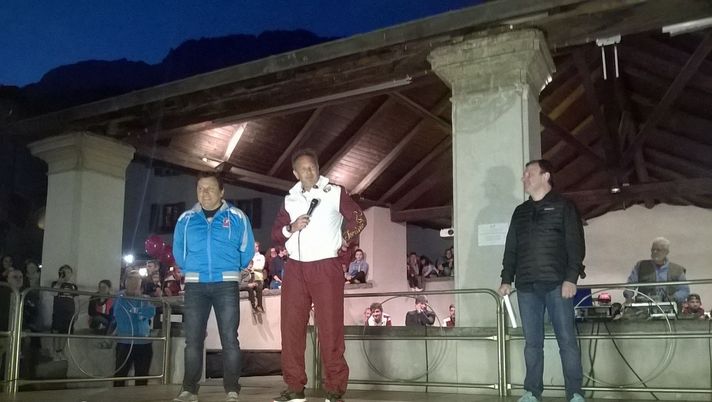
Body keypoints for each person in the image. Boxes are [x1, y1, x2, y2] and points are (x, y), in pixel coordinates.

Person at [271, 148, 366, 402]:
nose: (309, 171)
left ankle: (334, 389)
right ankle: (294, 388)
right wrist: (291, 227)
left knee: (330, 329)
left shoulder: (334, 192)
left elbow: (358, 219)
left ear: (318, 167)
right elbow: (276, 234)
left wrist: (344, 242)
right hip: (295, 268)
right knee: (291, 329)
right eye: (303, 168)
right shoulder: (290, 199)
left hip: (326, 266)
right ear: (295, 173)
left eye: (312, 166)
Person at [498, 159, 586, 402]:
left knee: (567, 341)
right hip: (526, 287)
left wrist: (571, 278)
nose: (524, 178)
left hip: (558, 285)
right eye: (524, 174)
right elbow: (511, 249)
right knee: (532, 344)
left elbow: (575, 245)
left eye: (529, 174)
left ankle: (575, 393)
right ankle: (532, 392)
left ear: (546, 176)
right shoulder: (520, 212)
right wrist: (506, 279)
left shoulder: (564, 206)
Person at [172, 171, 255, 402]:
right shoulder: (186, 219)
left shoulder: (237, 216)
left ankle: (232, 390)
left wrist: (234, 268)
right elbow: (178, 249)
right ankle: (189, 390)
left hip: (226, 283)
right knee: (193, 340)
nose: (204, 193)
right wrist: (189, 268)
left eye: (210, 188)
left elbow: (247, 248)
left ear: (222, 192)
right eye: (200, 188)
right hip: (195, 285)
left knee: (229, 339)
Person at [111, 270, 156, 386]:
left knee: (142, 376)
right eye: (131, 279)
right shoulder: (120, 297)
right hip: (125, 342)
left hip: (144, 342)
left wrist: (137, 311)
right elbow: (121, 314)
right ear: (125, 281)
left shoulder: (145, 298)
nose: (134, 282)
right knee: (120, 375)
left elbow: (150, 312)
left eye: (137, 279)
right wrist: (139, 312)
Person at [623, 237, 689, 305]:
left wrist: (673, 298)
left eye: (658, 250)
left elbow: (684, 290)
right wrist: (628, 297)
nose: (655, 252)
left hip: (669, 306)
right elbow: (631, 284)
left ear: (666, 252)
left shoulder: (677, 269)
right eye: (653, 249)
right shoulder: (641, 265)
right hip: (644, 306)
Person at [51, 264, 78, 359]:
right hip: (58, 312)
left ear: (71, 274)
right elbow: (53, 293)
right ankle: (55, 351)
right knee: (56, 332)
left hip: (69, 313)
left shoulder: (74, 286)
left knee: (66, 332)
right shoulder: (55, 283)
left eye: (68, 272)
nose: (66, 274)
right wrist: (60, 282)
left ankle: (61, 351)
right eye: (64, 272)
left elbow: (76, 300)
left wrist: (77, 312)